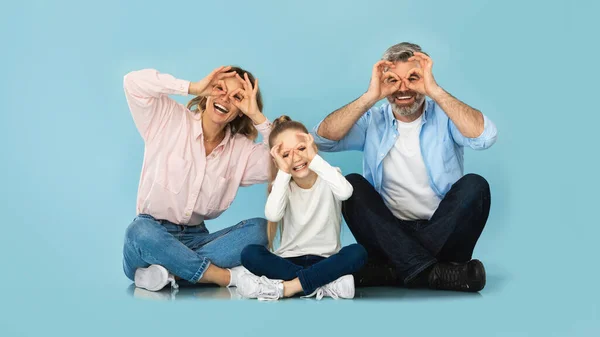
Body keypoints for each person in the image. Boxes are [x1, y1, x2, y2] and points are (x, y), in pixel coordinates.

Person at [313, 42, 498, 292]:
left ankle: (392, 270)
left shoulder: (445, 116)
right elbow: (322, 139)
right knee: (352, 186)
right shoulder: (373, 120)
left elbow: (485, 137)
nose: (403, 88)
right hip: (388, 234)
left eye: (413, 78)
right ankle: (436, 273)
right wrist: (370, 96)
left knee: (476, 186)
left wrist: (435, 91)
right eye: (393, 80)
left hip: (444, 233)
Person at [122, 65, 272, 291]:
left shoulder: (241, 151)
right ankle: (222, 277)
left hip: (197, 239)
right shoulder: (167, 118)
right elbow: (132, 82)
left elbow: (282, 160)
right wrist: (193, 87)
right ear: (208, 91)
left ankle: (168, 273)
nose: (225, 99)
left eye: (237, 97)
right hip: (152, 235)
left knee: (262, 229)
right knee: (138, 232)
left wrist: (256, 115)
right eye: (219, 88)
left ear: (241, 109)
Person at [236, 116, 368, 300]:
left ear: (311, 147)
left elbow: (346, 192)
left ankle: (288, 287)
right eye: (285, 155)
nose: (295, 157)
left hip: (326, 259)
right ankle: (323, 283)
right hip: (288, 260)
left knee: (357, 252)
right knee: (249, 253)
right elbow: (272, 214)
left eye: (301, 148)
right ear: (277, 161)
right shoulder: (281, 185)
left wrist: (313, 157)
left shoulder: (331, 176)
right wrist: (282, 172)